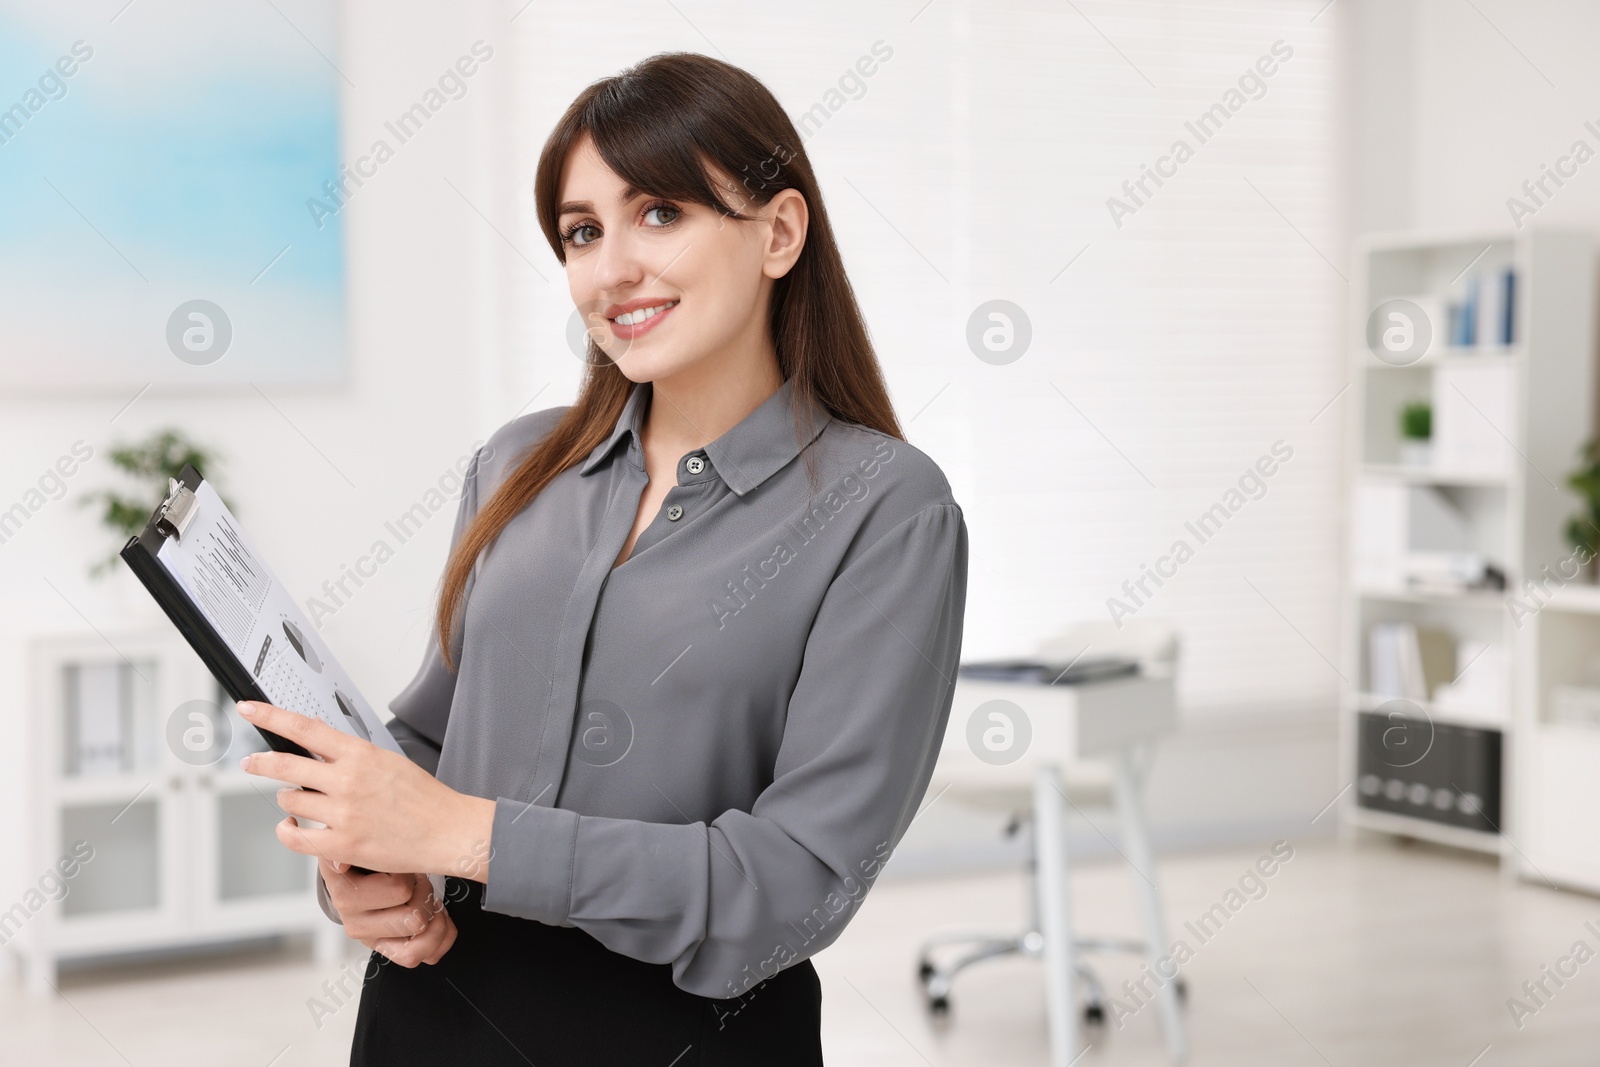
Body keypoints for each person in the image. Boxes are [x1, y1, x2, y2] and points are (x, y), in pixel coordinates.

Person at [241, 51, 968, 1065]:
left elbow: (797, 882)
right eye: (582, 232)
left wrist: (463, 836)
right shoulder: (516, 464)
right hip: (427, 1012)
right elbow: (427, 739)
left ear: (779, 231)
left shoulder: (886, 508)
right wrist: (358, 865)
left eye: (659, 213)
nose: (611, 268)